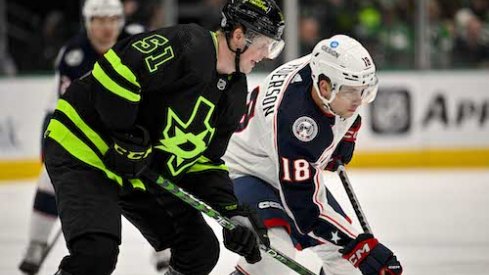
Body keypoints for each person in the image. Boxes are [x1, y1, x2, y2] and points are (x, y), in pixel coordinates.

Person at [42, 0, 285, 274]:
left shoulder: (234, 92)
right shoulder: (185, 43)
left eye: (273, 47)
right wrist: (125, 133)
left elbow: (203, 160)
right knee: (95, 255)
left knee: (199, 249)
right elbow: (115, 72)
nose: (266, 54)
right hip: (84, 148)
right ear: (239, 35)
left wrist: (232, 211)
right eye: (265, 44)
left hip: (139, 166)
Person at [223, 35, 403, 275]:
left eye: (363, 91)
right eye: (351, 92)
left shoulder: (328, 71)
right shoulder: (295, 122)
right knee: (274, 257)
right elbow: (306, 211)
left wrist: (345, 133)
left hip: (282, 164)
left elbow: (340, 109)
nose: (358, 101)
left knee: (346, 266)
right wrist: (363, 248)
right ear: (324, 86)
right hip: (246, 169)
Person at [18, 0, 141, 274]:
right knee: (49, 179)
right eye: (99, 20)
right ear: (88, 23)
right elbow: (71, 117)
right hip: (68, 125)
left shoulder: (136, 41)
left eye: (112, 19)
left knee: (149, 184)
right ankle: (36, 244)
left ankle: (167, 250)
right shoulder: (73, 55)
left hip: (125, 129)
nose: (107, 27)